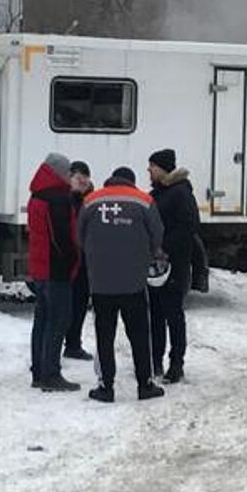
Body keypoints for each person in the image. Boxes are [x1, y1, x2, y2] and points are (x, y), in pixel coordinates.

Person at [78, 166, 166, 403]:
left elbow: (80, 236)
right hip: (134, 283)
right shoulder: (144, 201)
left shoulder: (90, 201)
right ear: (131, 181)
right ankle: (145, 385)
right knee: (139, 335)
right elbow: (157, 236)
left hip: (101, 284)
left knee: (104, 336)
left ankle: (106, 387)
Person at [27, 152, 80, 393]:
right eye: (68, 172)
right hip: (56, 269)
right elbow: (63, 238)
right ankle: (51, 374)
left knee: (42, 320)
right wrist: (74, 261)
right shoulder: (58, 199)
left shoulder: (37, 195)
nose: (70, 177)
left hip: (40, 267)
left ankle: (39, 371)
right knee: (58, 321)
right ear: (58, 172)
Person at [147, 148, 201, 383]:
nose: (148, 171)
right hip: (156, 267)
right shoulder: (159, 193)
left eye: (152, 166)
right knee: (156, 315)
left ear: (163, 168)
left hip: (174, 265)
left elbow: (189, 227)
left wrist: (164, 248)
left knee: (173, 316)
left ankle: (176, 364)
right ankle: (154, 360)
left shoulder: (180, 193)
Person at [63, 161, 95, 362]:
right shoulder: (65, 199)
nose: (81, 180)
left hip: (86, 261)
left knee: (80, 304)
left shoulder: (93, 199)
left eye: (85, 176)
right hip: (69, 260)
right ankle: (65, 343)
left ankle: (73, 344)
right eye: (77, 176)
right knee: (66, 305)